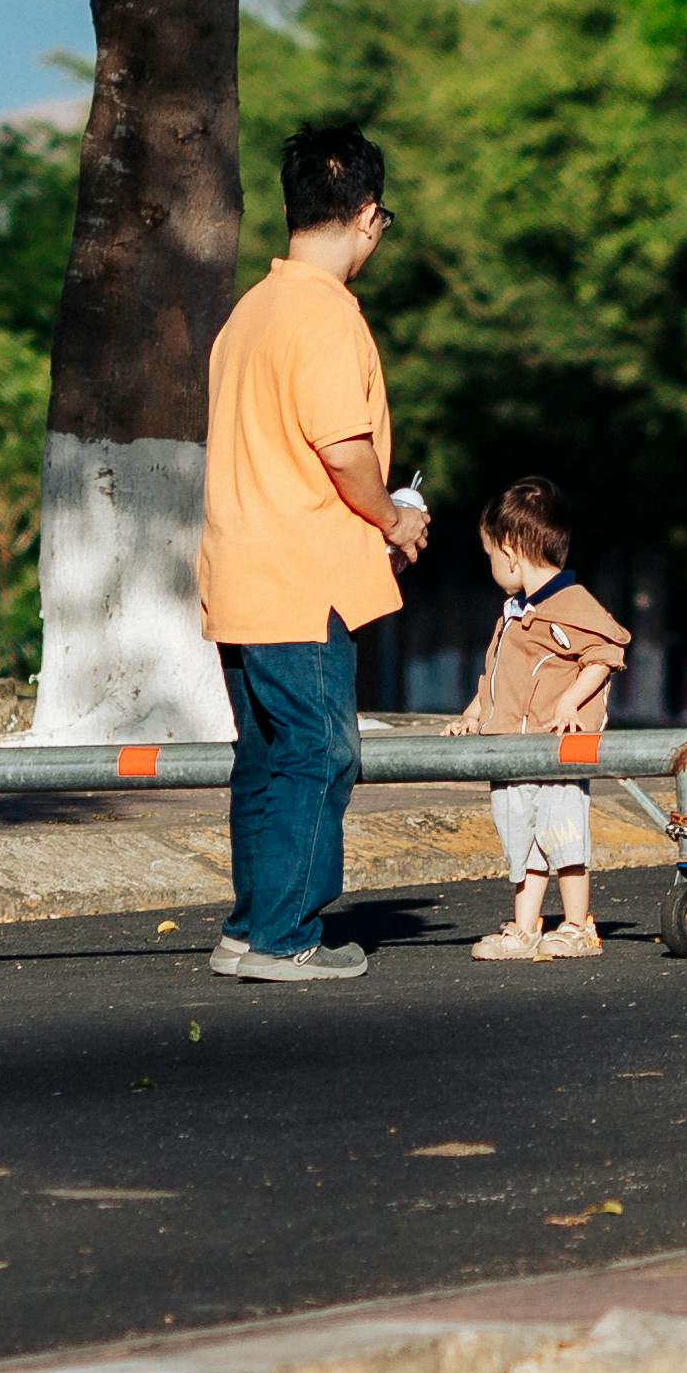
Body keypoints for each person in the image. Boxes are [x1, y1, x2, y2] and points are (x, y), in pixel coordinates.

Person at [199, 122, 425, 983]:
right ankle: (288, 937)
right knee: (318, 753)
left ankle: (249, 925)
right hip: (302, 575)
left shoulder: (250, 312)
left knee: (262, 755)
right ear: (368, 215)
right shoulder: (326, 316)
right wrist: (394, 520)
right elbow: (343, 451)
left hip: (239, 567)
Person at [453, 478, 631, 959]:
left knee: (563, 835)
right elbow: (497, 675)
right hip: (514, 749)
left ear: (510, 552)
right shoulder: (515, 612)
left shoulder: (568, 604)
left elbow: (605, 650)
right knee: (522, 841)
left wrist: (572, 700)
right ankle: (526, 926)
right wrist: (473, 715)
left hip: (554, 749)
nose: (491, 565)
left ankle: (577, 925)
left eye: (490, 553)